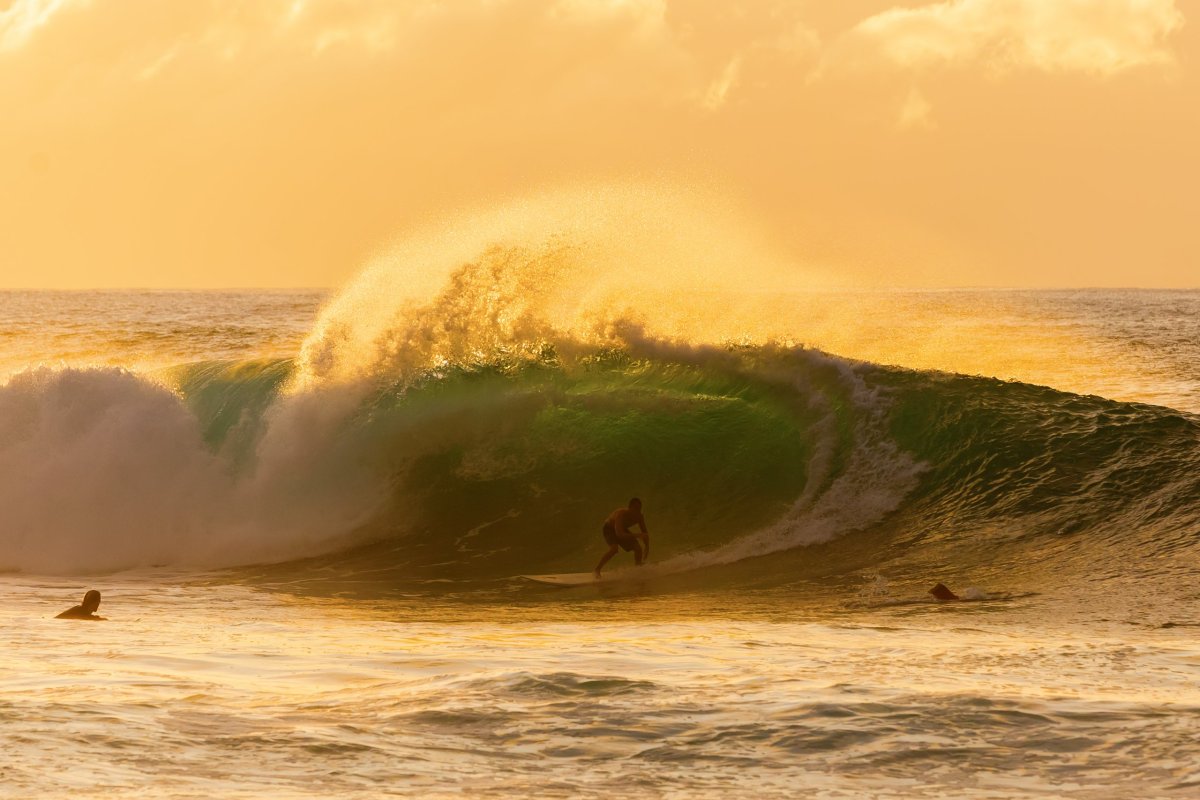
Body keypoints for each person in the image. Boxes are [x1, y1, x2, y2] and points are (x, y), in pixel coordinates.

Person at [594, 497, 650, 578]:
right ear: (629, 508)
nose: (637, 511)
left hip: (622, 529)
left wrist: (647, 546)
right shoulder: (621, 514)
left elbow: (645, 533)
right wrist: (638, 535)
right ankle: (597, 569)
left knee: (638, 548)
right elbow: (619, 534)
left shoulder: (639, 517)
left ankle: (638, 566)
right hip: (609, 529)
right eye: (635, 508)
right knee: (614, 549)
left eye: (639, 509)